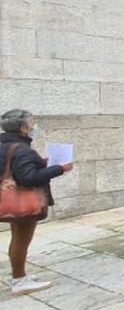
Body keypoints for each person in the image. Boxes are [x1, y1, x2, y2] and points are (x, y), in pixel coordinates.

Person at [1, 109, 73, 295]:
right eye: (31, 123)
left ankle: (19, 273)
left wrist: (41, 162)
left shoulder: (6, 145)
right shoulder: (21, 148)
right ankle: (19, 280)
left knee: (17, 238)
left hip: (10, 200)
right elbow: (28, 178)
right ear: (23, 127)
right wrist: (58, 168)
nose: (34, 126)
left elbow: (17, 169)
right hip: (23, 202)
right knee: (21, 240)